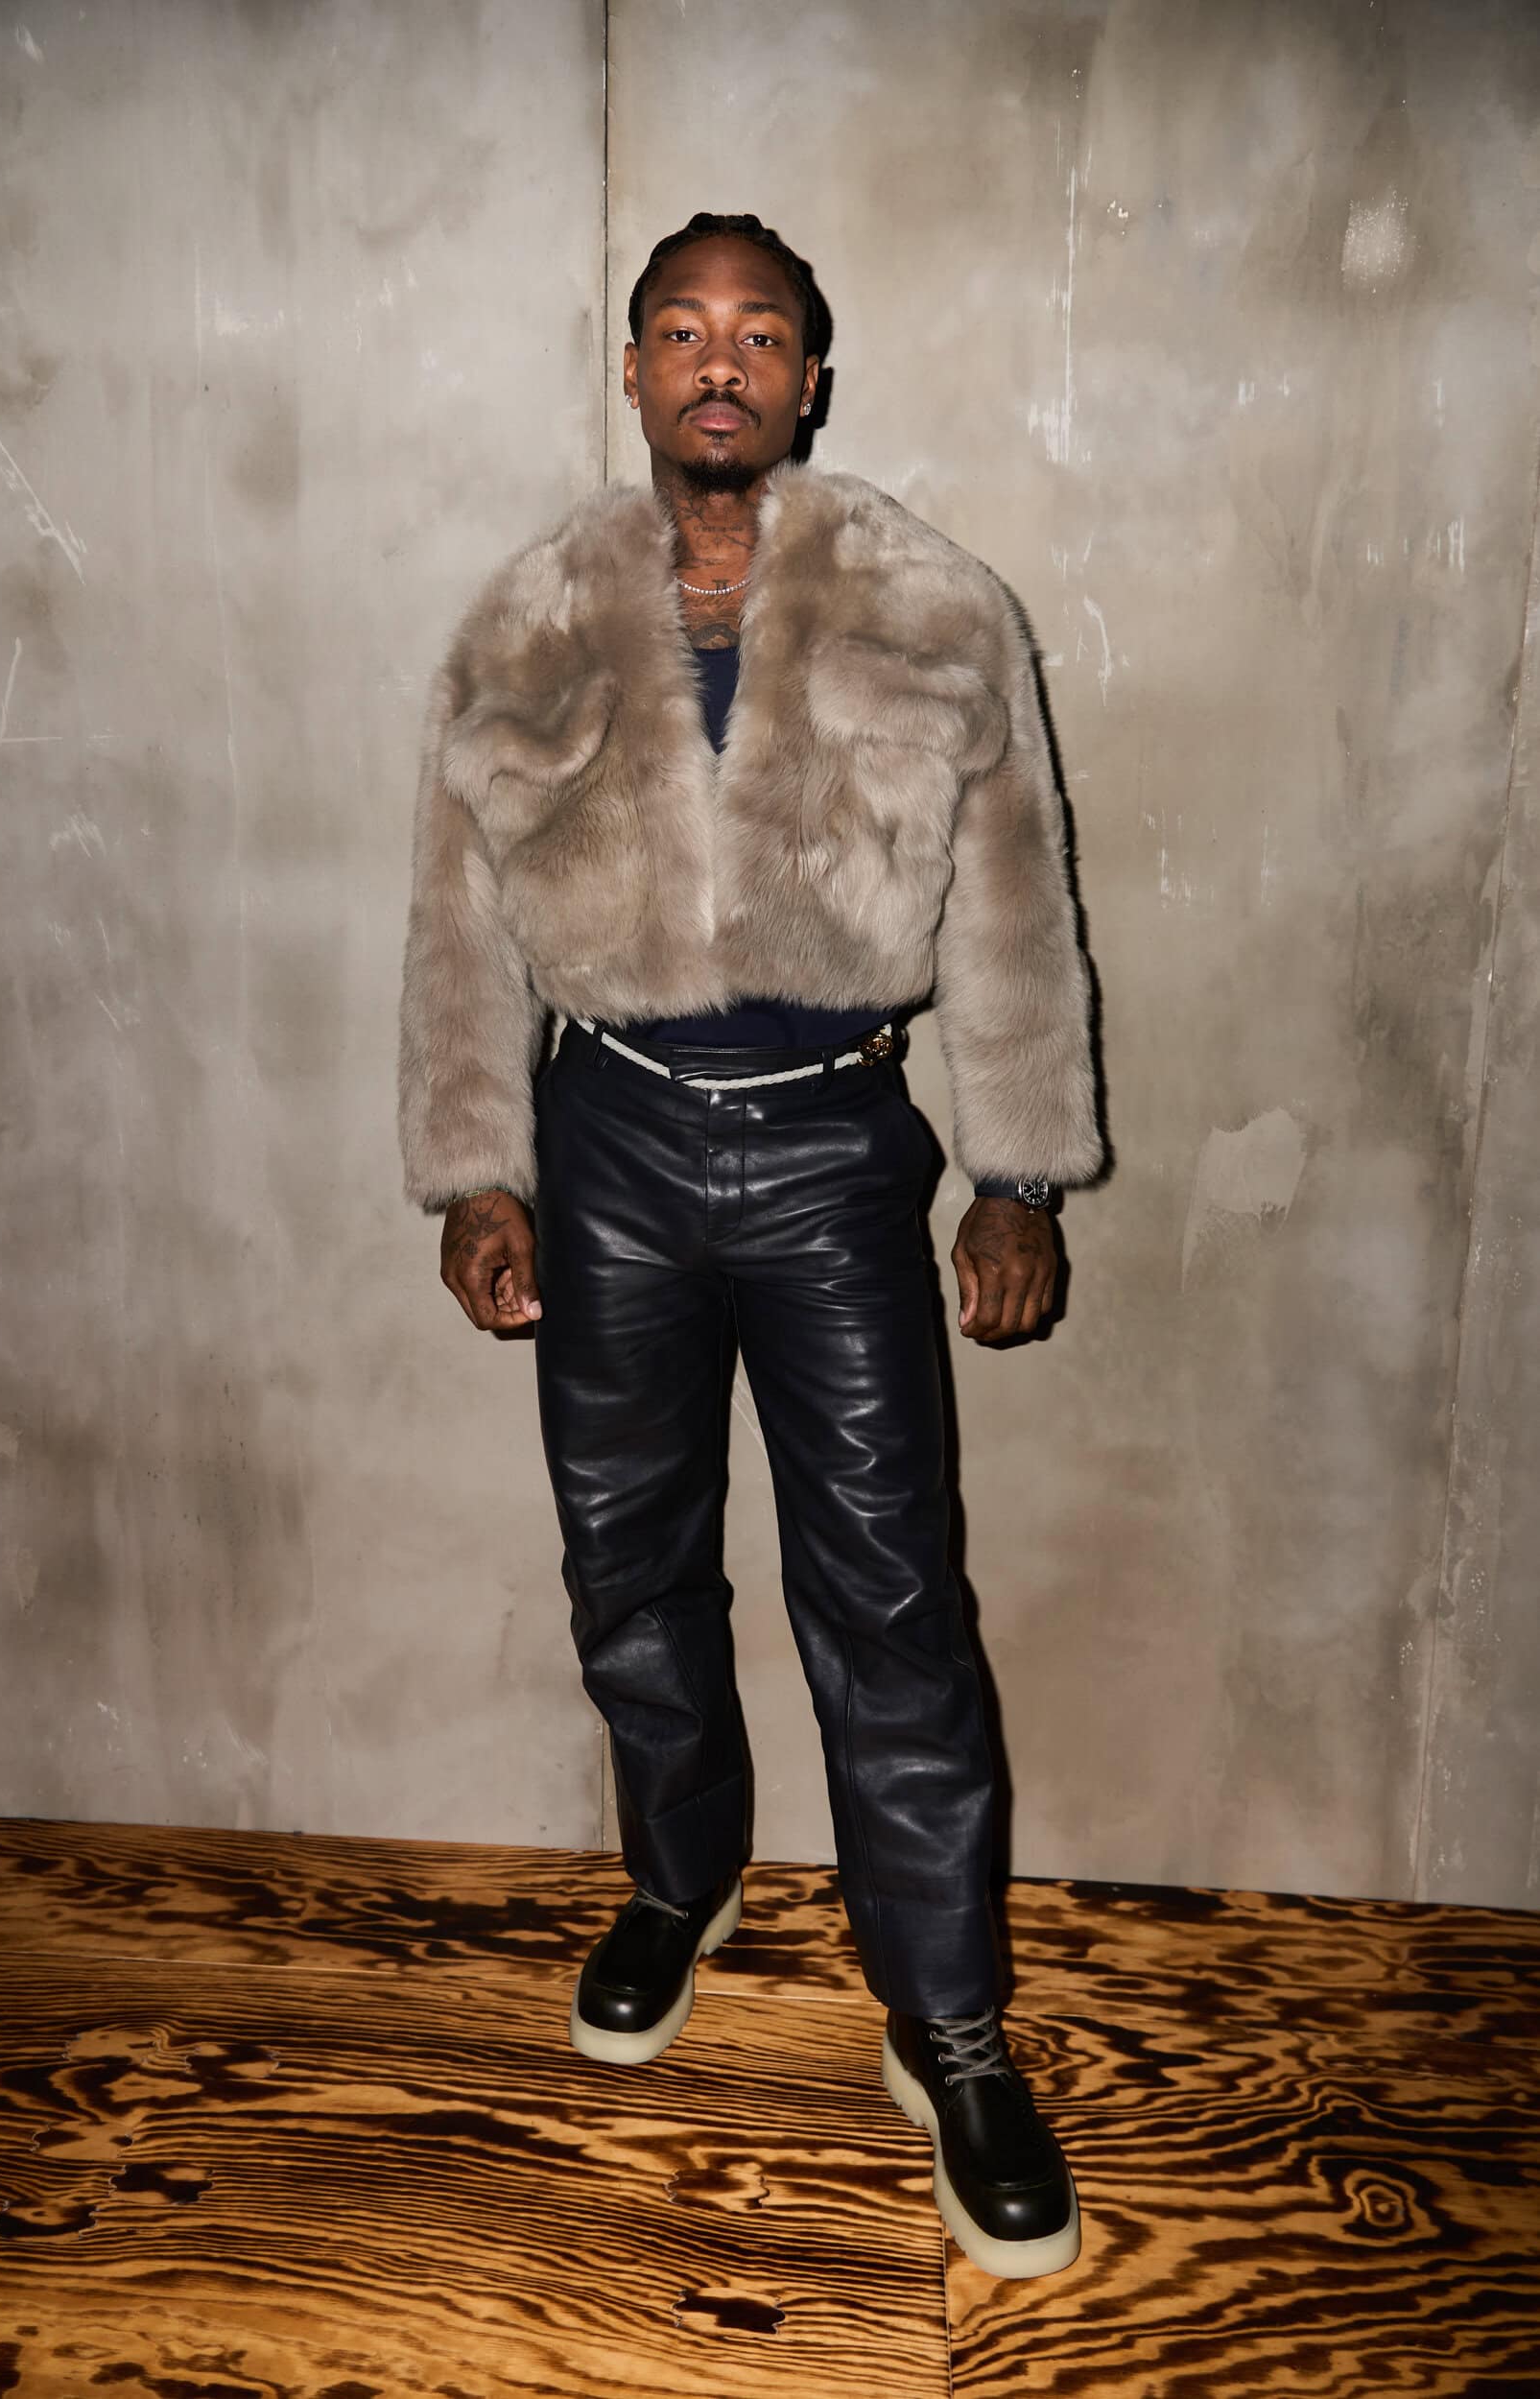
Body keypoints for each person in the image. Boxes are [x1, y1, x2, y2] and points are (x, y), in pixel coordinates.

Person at [397, 211, 1102, 2280]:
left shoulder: (937, 607)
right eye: (683, 329)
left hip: (832, 1152)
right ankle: (681, 1875)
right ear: (632, 369)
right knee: (628, 1552)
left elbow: (1019, 899)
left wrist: (1017, 1173)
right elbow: (453, 918)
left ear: (811, 375)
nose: (721, 361)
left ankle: (947, 2020)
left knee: (888, 1590)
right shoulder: (523, 618)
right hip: (606, 1138)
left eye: (762, 331)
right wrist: (479, 1170)